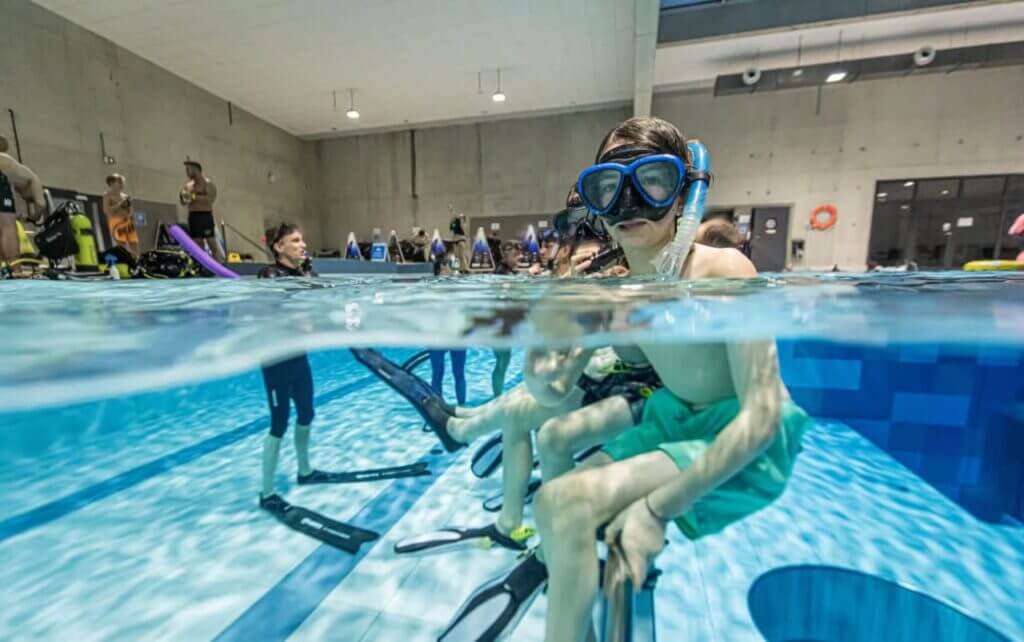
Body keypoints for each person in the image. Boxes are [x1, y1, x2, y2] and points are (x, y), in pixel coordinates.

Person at [519, 116, 810, 642]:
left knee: (565, 505)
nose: (629, 204)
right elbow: (555, 391)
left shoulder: (723, 271)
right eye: (610, 187)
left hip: (742, 435)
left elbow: (764, 415)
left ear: (683, 193)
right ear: (596, 201)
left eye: (651, 181)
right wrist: (537, 351)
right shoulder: (618, 292)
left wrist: (656, 509)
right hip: (674, 419)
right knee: (550, 502)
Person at [256, 223, 323, 512]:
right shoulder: (269, 275)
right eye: (295, 240)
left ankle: (305, 471)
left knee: (307, 413)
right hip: (276, 360)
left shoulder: (304, 274)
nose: (302, 244)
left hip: (298, 356)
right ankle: (266, 491)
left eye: (302, 238)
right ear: (279, 247)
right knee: (280, 422)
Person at [0, 135, 46, 266]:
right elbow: (41, 204)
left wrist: (23, 217)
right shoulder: (32, 179)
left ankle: (3, 267)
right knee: (7, 224)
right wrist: (34, 216)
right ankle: (15, 268)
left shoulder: (12, 175)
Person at [178, 159, 225, 263]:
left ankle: (219, 266)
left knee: (211, 242)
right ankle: (203, 266)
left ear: (196, 170)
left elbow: (210, 199)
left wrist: (194, 196)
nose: (186, 172)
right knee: (197, 243)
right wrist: (183, 197)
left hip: (205, 216)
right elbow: (184, 201)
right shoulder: (188, 186)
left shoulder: (208, 184)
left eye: (188, 169)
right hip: (193, 216)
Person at [102, 173, 139, 257]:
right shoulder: (107, 195)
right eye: (119, 182)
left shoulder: (125, 196)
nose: (122, 184)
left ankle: (137, 261)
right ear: (111, 183)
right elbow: (106, 211)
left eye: (122, 182)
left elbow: (131, 210)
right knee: (121, 244)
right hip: (116, 222)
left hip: (127, 221)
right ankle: (124, 261)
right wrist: (119, 204)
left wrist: (129, 214)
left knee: (134, 242)